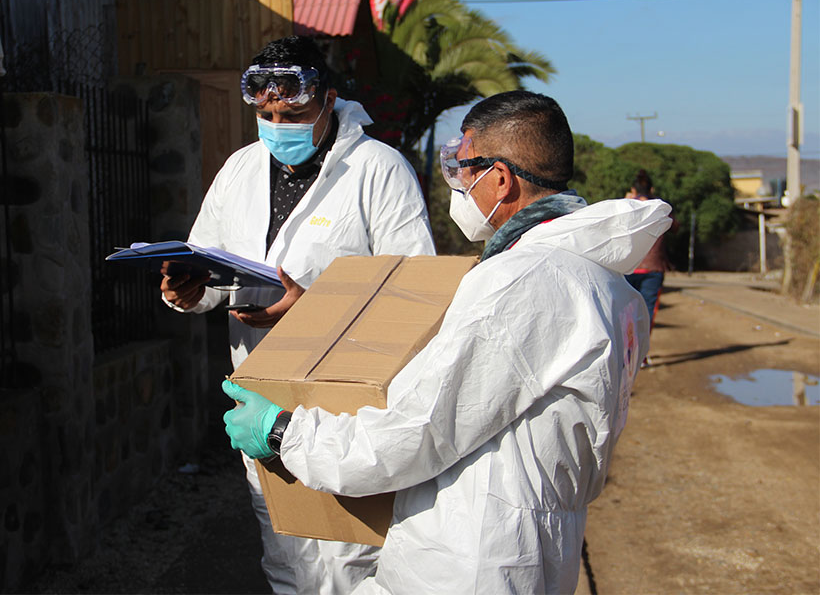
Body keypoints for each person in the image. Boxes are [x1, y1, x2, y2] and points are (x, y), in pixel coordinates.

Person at [222, 91, 672, 594]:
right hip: (532, 546)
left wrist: (285, 432)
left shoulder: (524, 281)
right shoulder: (606, 286)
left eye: (462, 171)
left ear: (500, 179)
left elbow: (419, 430)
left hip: (474, 557)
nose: (457, 186)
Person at [160, 36, 435, 594]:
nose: (277, 124)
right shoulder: (240, 169)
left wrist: (311, 311)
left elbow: (415, 295)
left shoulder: (378, 170)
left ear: (329, 100)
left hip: (342, 404)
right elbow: (212, 262)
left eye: (294, 113)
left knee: (345, 561)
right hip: (258, 397)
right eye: (265, 113)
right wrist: (193, 292)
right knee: (283, 552)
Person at [624, 169, 679, 333]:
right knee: (647, 311)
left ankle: (627, 354)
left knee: (626, 313)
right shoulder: (660, 208)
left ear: (633, 190)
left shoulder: (626, 207)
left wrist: (627, 200)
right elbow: (675, 227)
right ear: (652, 190)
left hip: (628, 266)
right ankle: (642, 355)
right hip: (653, 267)